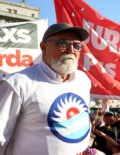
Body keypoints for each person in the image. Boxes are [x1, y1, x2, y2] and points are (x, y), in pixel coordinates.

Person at [0, 23, 91, 155]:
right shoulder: (17, 83)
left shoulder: (83, 81)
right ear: (43, 47)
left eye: (77, 46)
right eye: (63, 43)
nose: (71, 50)